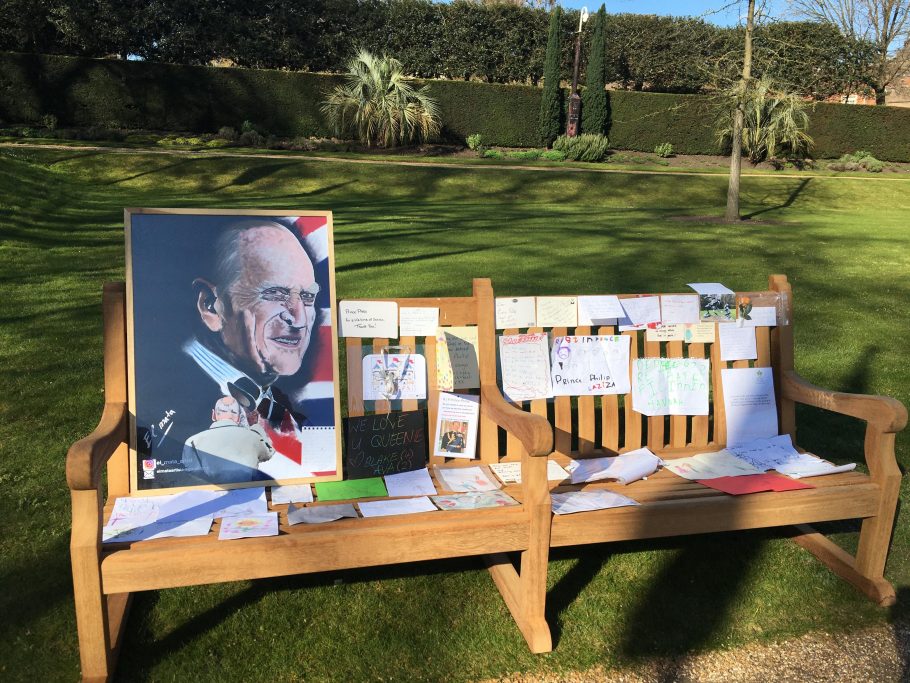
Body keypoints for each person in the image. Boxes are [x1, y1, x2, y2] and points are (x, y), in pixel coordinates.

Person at [137, 219, 321, 487]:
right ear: (211, 306)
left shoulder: (280, 399)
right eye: (275, 294)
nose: (299, 318)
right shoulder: (162, 395)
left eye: (307, 298)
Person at [181, 397, 275, 484]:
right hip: (248, 492)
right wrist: (255, 427)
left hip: (215, 496)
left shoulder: (192, 441)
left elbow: (194, 472)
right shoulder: (254, 436)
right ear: (238, 418)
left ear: (213, 415)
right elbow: (269, 453)